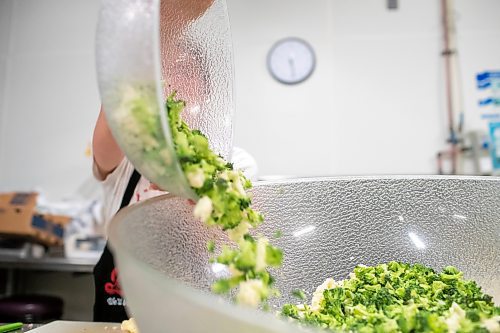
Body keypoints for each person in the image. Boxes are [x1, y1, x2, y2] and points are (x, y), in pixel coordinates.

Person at [92, 108, 257, 322]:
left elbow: (221, 252)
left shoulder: (235, 164)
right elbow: (113, 112)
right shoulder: (127, 163)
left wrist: (197, 186)